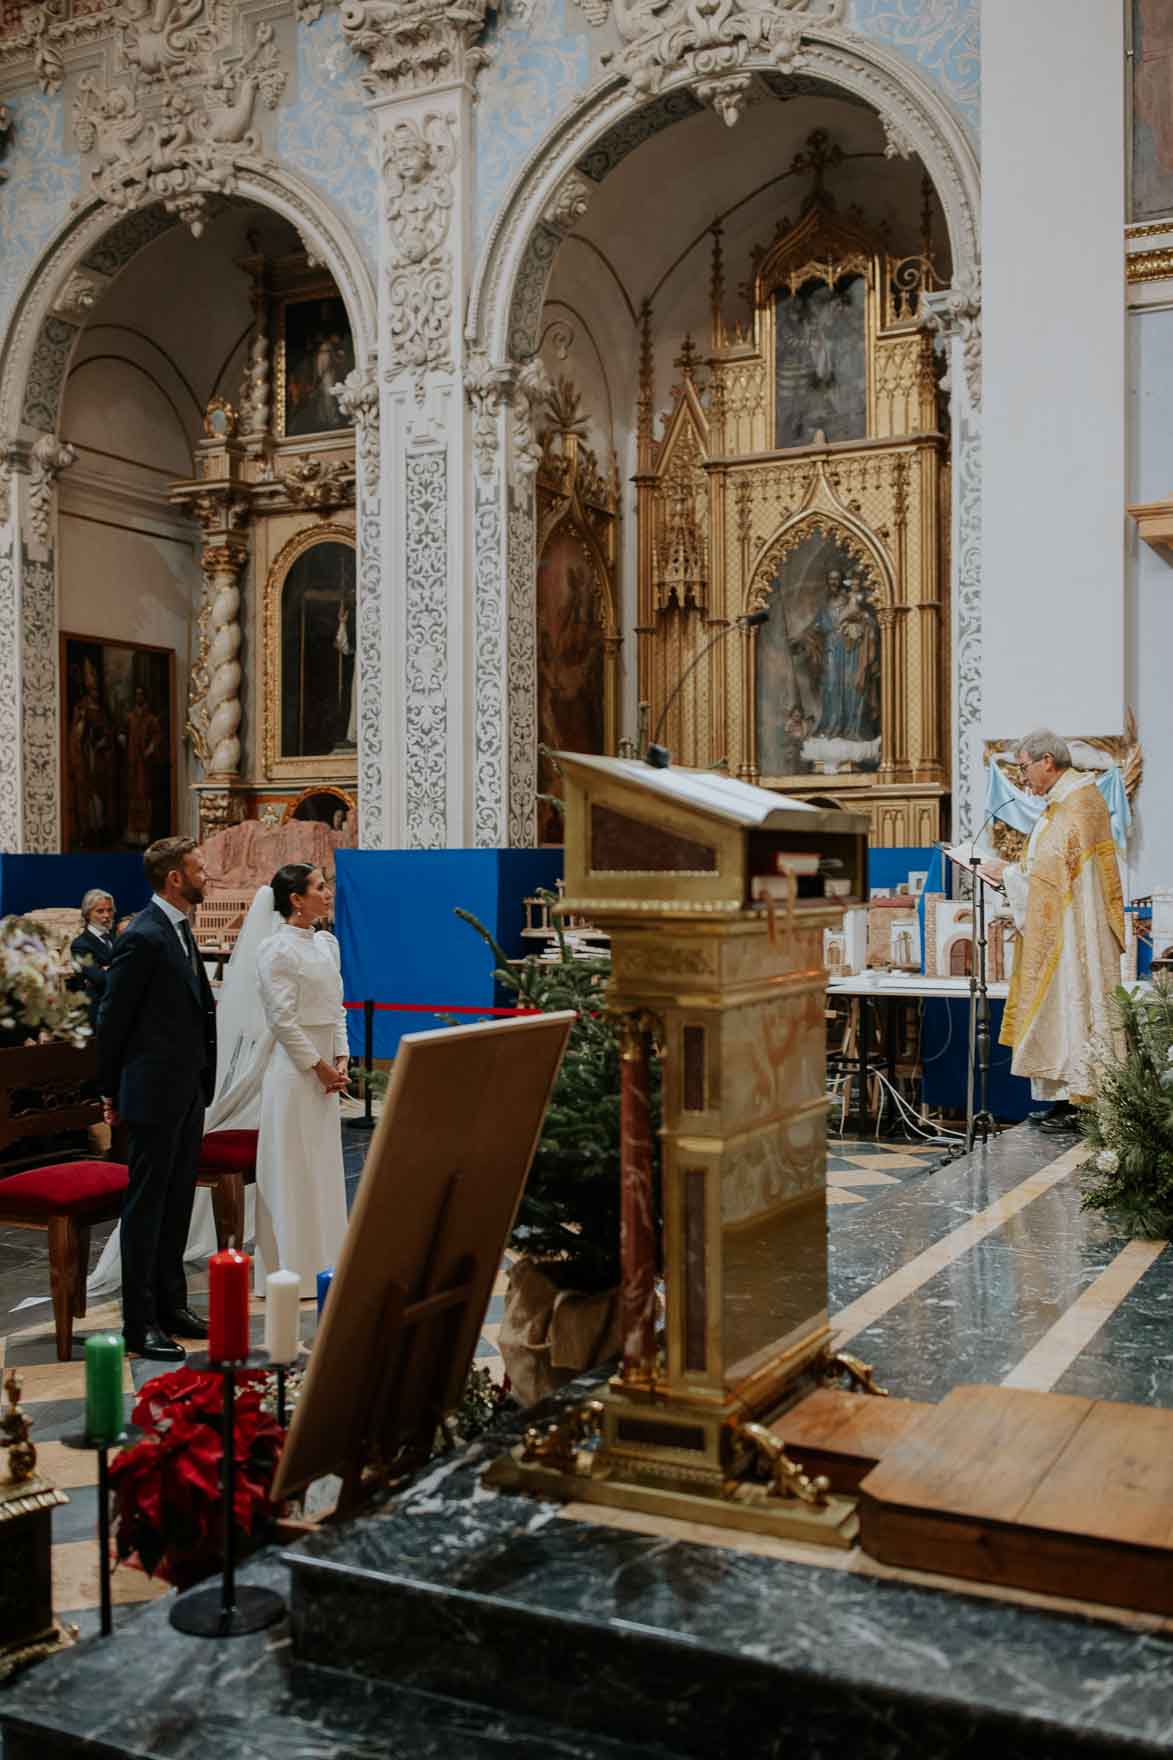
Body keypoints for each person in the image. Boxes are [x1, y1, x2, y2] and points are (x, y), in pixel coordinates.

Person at [97, 836, 216, 1360]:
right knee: (146, 1209)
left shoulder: (180, 931)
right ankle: (138, 1321)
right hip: (151, 1090)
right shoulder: (142, 936)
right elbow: (112, 1019)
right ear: (175, 878)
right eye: (197, 867)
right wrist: (108, 1091)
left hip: (186, 1089)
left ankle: (171, 1304)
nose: (205, 873)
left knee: (178, 1203)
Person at [979, 731, 1124, 1134]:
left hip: (1077, 933)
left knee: (1074, 1004)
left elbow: (1054, 873)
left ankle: (1082, 1098)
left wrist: (1005, 873)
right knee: (1061, 1010)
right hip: (1063, 926)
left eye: (1023, 767)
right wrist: (1011, 874)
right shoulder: (1061, 805)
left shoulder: (1079, 803)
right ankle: (1064, 1098)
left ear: (1047, 761)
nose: (1021, 777)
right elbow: (1048, 868)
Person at [252, 864, 349, 1293]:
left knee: (323, 1166)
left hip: (327, 1070)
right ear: (295, 898)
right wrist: (319, 1065)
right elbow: (282, 1020)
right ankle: (290, 1269)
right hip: (295, 1074)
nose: (327, 893)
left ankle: (326, 1260)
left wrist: (342, 1056)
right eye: (319, 887)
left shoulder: (326, 944)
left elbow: (337, 1006)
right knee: (293, 1168)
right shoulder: (276, 950)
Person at [71, 888, 116, 1025]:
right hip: (99, 1012)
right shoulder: (80, 945)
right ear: (87, 914)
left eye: (109, 910)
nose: (107, 915)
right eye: (100, 911)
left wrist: (109, 968)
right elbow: (99, 978)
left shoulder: (115, 938)